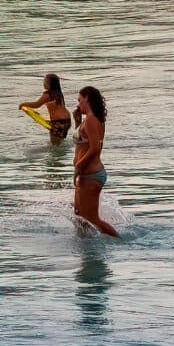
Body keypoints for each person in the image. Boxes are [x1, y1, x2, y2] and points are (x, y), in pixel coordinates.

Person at [72, 86, 118, 237]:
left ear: (87, 99)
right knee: (78, 216)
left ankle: (121, 242)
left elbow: (95, 148)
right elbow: (82, 142)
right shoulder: (88, 119)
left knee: (92, 219)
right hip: (85, 175)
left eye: (80, 100)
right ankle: (87, 251)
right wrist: (77, 122)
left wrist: (79, 165)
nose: (78, 104)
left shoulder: (92, 119)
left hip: (91, 175)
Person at [21, 73, 72, 143]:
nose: (43, 83)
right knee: (61, 144)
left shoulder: (47, 94)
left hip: (58, 122)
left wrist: (23, 104)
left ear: (50, 84)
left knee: (55, 148)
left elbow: (36, 105)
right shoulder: (59, 93)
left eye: (45, 81)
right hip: (67, 121)